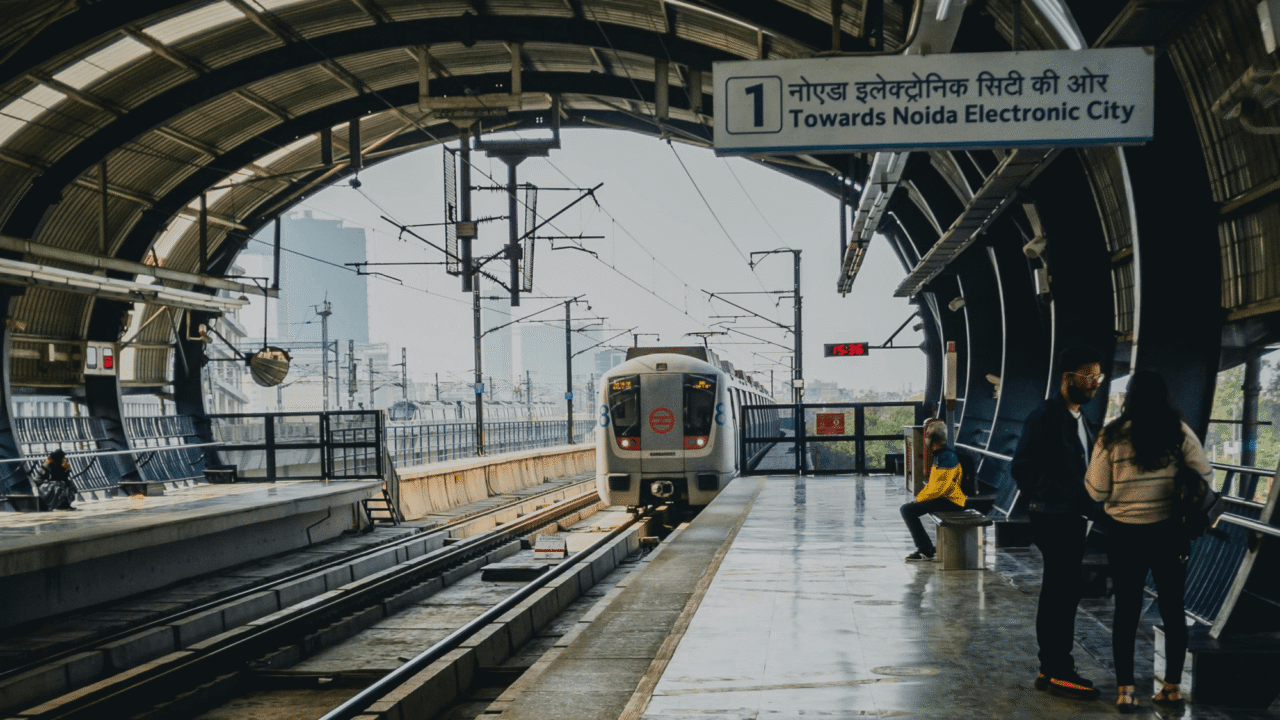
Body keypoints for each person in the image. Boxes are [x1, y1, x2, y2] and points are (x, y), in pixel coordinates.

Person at [1086, 371, 1211, 713]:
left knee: (1126, 611)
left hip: (1124, 534)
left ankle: (1126, 690)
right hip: (1169, 532)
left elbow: (1096, 490)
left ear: (1129, 397)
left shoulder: (1111, 436)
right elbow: (1204, 475)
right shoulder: (1178, 431)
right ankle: (1170, 689)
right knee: (1173, 608)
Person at [1011, 346, 1104, 700]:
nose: (1094, 384)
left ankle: (1050, 667)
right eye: (1087, 376)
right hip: (1053, 515)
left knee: (1062, 591)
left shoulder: (1080, 418)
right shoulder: (1045, 416)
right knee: (1060, 593)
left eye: (1098, 377)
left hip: (1072, 516)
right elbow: (1022, 467)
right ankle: (1058, 670)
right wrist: (1068, 495)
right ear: (1067, 379)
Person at [901, 419, 966, 562]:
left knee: (907, 510)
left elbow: (938, 488)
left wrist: (919, 499)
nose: (925, 438)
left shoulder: (947, 456)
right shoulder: (940, 454)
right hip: (944, 497)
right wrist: (919, 498)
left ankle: (925, 550)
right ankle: (927, 548)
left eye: (927, 436)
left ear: (932, 439)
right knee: (908, 508)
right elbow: (932, 485)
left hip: (951, 501)